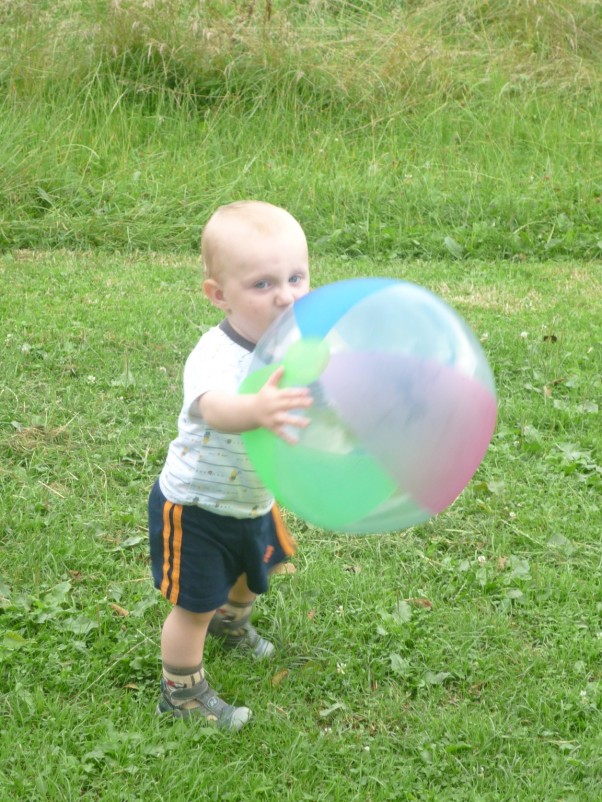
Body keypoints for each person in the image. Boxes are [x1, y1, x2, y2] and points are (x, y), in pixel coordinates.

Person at [148, 200, 312, 731]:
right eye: (263, 284)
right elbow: (216, 407)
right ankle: (182, 692)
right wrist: (257, 409)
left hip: (253, 497)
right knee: (193, 604)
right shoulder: (216, 355)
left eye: (296, 277)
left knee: (253, 571)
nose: (285, 295)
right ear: (219, 295)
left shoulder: (295, 343)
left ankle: (232, 623)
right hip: (197, 505)